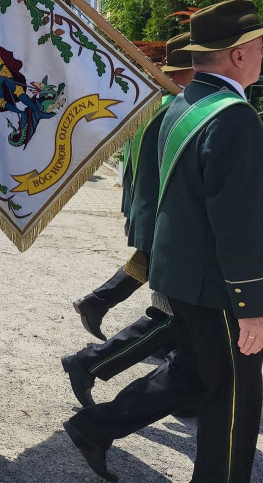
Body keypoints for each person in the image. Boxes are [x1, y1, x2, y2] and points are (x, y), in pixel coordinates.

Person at [64, 0, 263, 483]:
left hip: (182, 275)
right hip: (217, 285)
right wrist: (252, 305)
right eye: (260, 46)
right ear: (238, 54)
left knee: (191, 375)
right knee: (233, 399)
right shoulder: (233, 116)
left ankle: (95, 427)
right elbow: (237, 221)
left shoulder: (184, 103)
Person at [61, 33, 194, 409]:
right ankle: (96, 356)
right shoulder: (175, 108)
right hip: (164, 218)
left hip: (155, 214)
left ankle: (98, 312)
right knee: (173, 314)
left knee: (172, 311)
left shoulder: (162, 104)